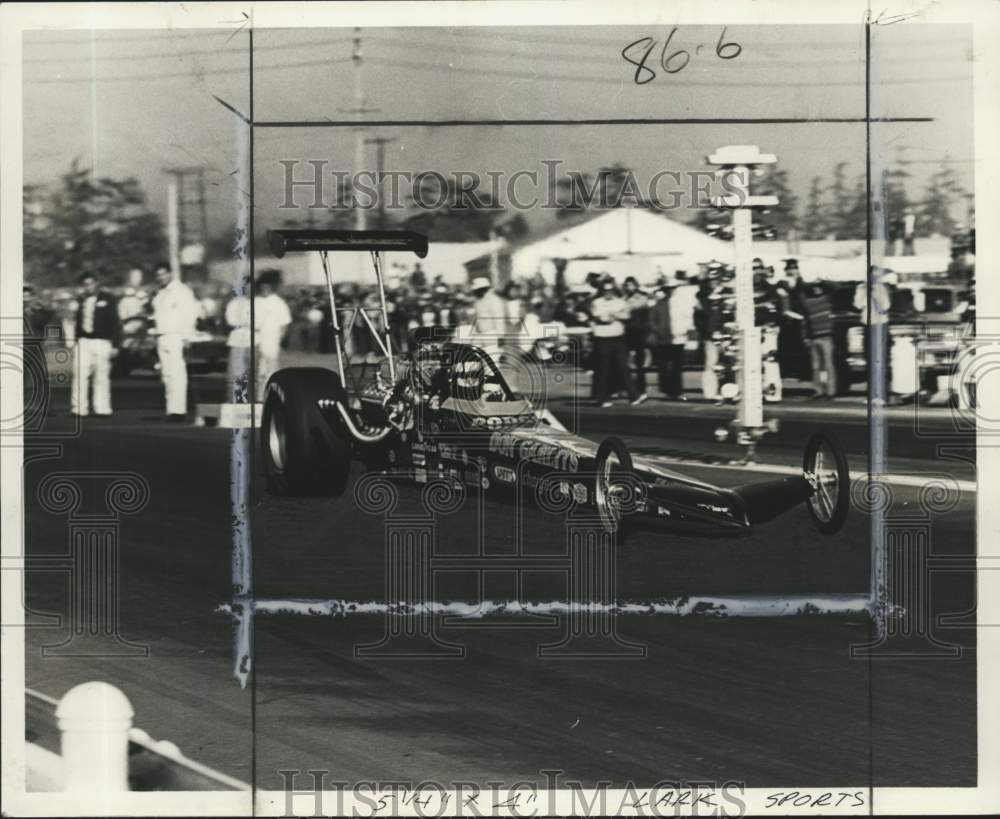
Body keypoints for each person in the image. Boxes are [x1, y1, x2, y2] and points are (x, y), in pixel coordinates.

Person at [150, 263, 200, 421]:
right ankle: (171, 409)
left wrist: (187, 336)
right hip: (162, 336)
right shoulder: (160, 293)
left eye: (164, 274)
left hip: (176, 336)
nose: (161, 277)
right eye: (158, 275)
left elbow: (189, 314)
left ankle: (179, 410)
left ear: (170, 274)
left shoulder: (181, 291)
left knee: (177, 374)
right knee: (166, 375)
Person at [67, 271, 120, 417]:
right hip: (84, 341)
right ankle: (78, 408)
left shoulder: (108, 299)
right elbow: (73, 321)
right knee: (80, 375)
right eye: (86, 284)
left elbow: (115, 322)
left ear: (97, 283)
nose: (89, 287)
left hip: (102, 341)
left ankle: (102, 408)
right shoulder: (80, 300)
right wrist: (72, 341)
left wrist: (116, 344)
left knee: (101, 376)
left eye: (91, 283)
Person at [590, 278, 646, 407]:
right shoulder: (597, 302)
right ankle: (602, 398)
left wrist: (614, 315)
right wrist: (614, 315)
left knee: (623, 367)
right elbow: (600, 317)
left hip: (618, 337)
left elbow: (626, 316)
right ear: (601, 291)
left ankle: (633, 396)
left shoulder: (620, 302)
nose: (608, 293)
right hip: (602, 338)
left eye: (610, 291)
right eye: (605, 291)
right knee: (603, 369)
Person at [254, 269, 293, 399]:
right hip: (256, 340)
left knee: (270, 370)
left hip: (271, 341)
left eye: (267, 286)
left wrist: (279, 339)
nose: (265, 288)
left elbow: (285, 323)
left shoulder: (278, 303)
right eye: (262, 286)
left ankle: (270, 397)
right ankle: (259, 397)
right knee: (258, 372)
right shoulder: (257, 301)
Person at [799, 281, 836, 398]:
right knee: (824, 365)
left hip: (819, 337)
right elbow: (833, 288)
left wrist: (805, 338)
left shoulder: (810, 303)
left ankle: (822, 390)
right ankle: (826, 391)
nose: (817, 290)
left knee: (819, 366)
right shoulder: (825, 301)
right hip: (821, 337)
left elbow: (804, 323)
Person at [621, 276, 651, 395]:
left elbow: (638, 310)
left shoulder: (642, 298)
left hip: (639, 332)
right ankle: (627, 387)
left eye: (632, 285)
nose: (629, 288)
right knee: (624, 361)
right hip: (625, 332)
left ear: (636, 286)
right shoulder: (623, 298)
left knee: (639, 363)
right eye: (627, 285)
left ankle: (641, 388)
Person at [467, 276, 507, 359]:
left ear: (483, 289)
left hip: (491, 333)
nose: (475, 292)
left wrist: (500, 336)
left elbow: (498, 319)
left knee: (492, 359)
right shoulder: (479, 301)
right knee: (482, 360)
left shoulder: (494, 300)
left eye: (477, 290)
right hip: (480, 333)